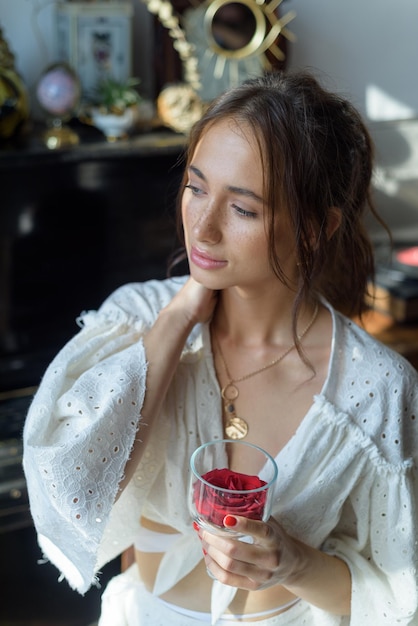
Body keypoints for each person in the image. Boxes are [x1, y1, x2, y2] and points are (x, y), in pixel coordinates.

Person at [23, 70, 418, 626]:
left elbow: (397, 598)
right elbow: (68, 488)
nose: (202, 229)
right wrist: (180, 315)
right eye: (196, 187)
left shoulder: (376, 387)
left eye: (243, 209)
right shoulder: (138, 319)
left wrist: (293, 562)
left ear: (315, 227)